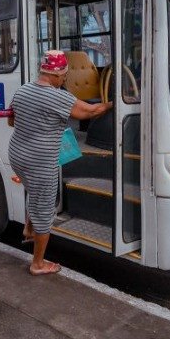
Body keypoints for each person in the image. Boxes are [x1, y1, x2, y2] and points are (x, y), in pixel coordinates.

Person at [8, 50, 113, 276]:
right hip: (40, 162)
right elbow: (90, 111)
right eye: (64, 75)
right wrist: (116, 103)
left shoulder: (22, 90)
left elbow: (11, 120)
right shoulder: (59, 97)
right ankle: (38, 264)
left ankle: (28, 228)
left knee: (34, 191)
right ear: (55, 75)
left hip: (17, 156)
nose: (65, 79)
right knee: (45, 209)